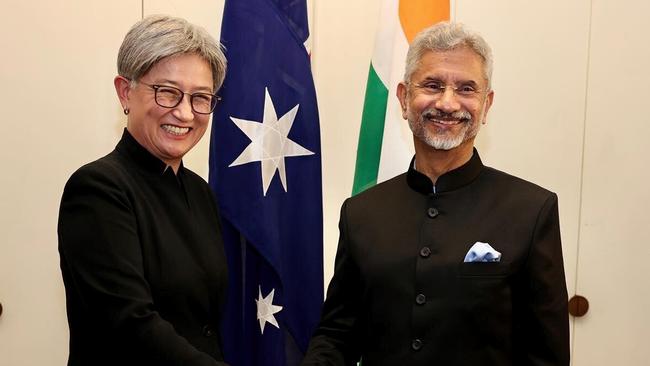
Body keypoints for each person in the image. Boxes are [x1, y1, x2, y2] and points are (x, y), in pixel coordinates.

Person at [302, 21, 569, 365]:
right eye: (432, 84)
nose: (447, 102)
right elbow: (338, 333)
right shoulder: (361, 213)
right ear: (404, 97)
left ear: (486, 105)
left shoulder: (532, 210)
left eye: (466, 89)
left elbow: (547, 354)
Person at [58, 15, 229, 366]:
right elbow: (130, 325)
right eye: (168, 92)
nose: (184, 113)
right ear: (125, 92)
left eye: (200, 98)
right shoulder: (97, 189)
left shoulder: (201, 193)